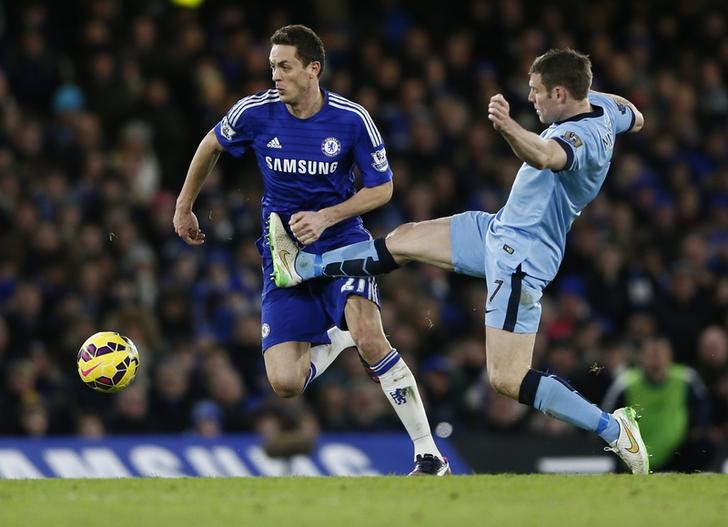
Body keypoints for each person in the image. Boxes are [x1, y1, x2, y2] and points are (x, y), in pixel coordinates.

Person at [269, 48, 650, 473]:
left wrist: (508, 127)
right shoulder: (600, 107)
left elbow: (546, 156)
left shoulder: (581, 139)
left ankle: (612, 429)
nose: (532, 100)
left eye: (538, 93)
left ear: (560, 93)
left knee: (506, 378)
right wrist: (589, 93)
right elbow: (634, 114)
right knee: (405, 238)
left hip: (521, 260)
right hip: (497, 230)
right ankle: (304, 266)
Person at [173, 24, 449, 475]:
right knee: (285, 383)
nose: (275, 76)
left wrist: (327, 216)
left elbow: (382, 189)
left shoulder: (351, 119)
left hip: (342, 242)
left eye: (284, 66)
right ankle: (336, 337)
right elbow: (210, 145)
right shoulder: (256, 113)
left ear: (312, 69)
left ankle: (428, 453)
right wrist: (185, 205)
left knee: (371, 337)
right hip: (283, 256)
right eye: (272, 67)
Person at [603, 337, 713, 472]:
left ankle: (686, 476)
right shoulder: (627, 383)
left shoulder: (685, 379)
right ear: (641, 357)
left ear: (669, 356)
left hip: (677, 453)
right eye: (651, 355)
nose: (656, 360)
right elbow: (607, 417)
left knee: (705, 443)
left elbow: (702, 409)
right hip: (634, 454)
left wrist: (699, 428)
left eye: (660, 354)